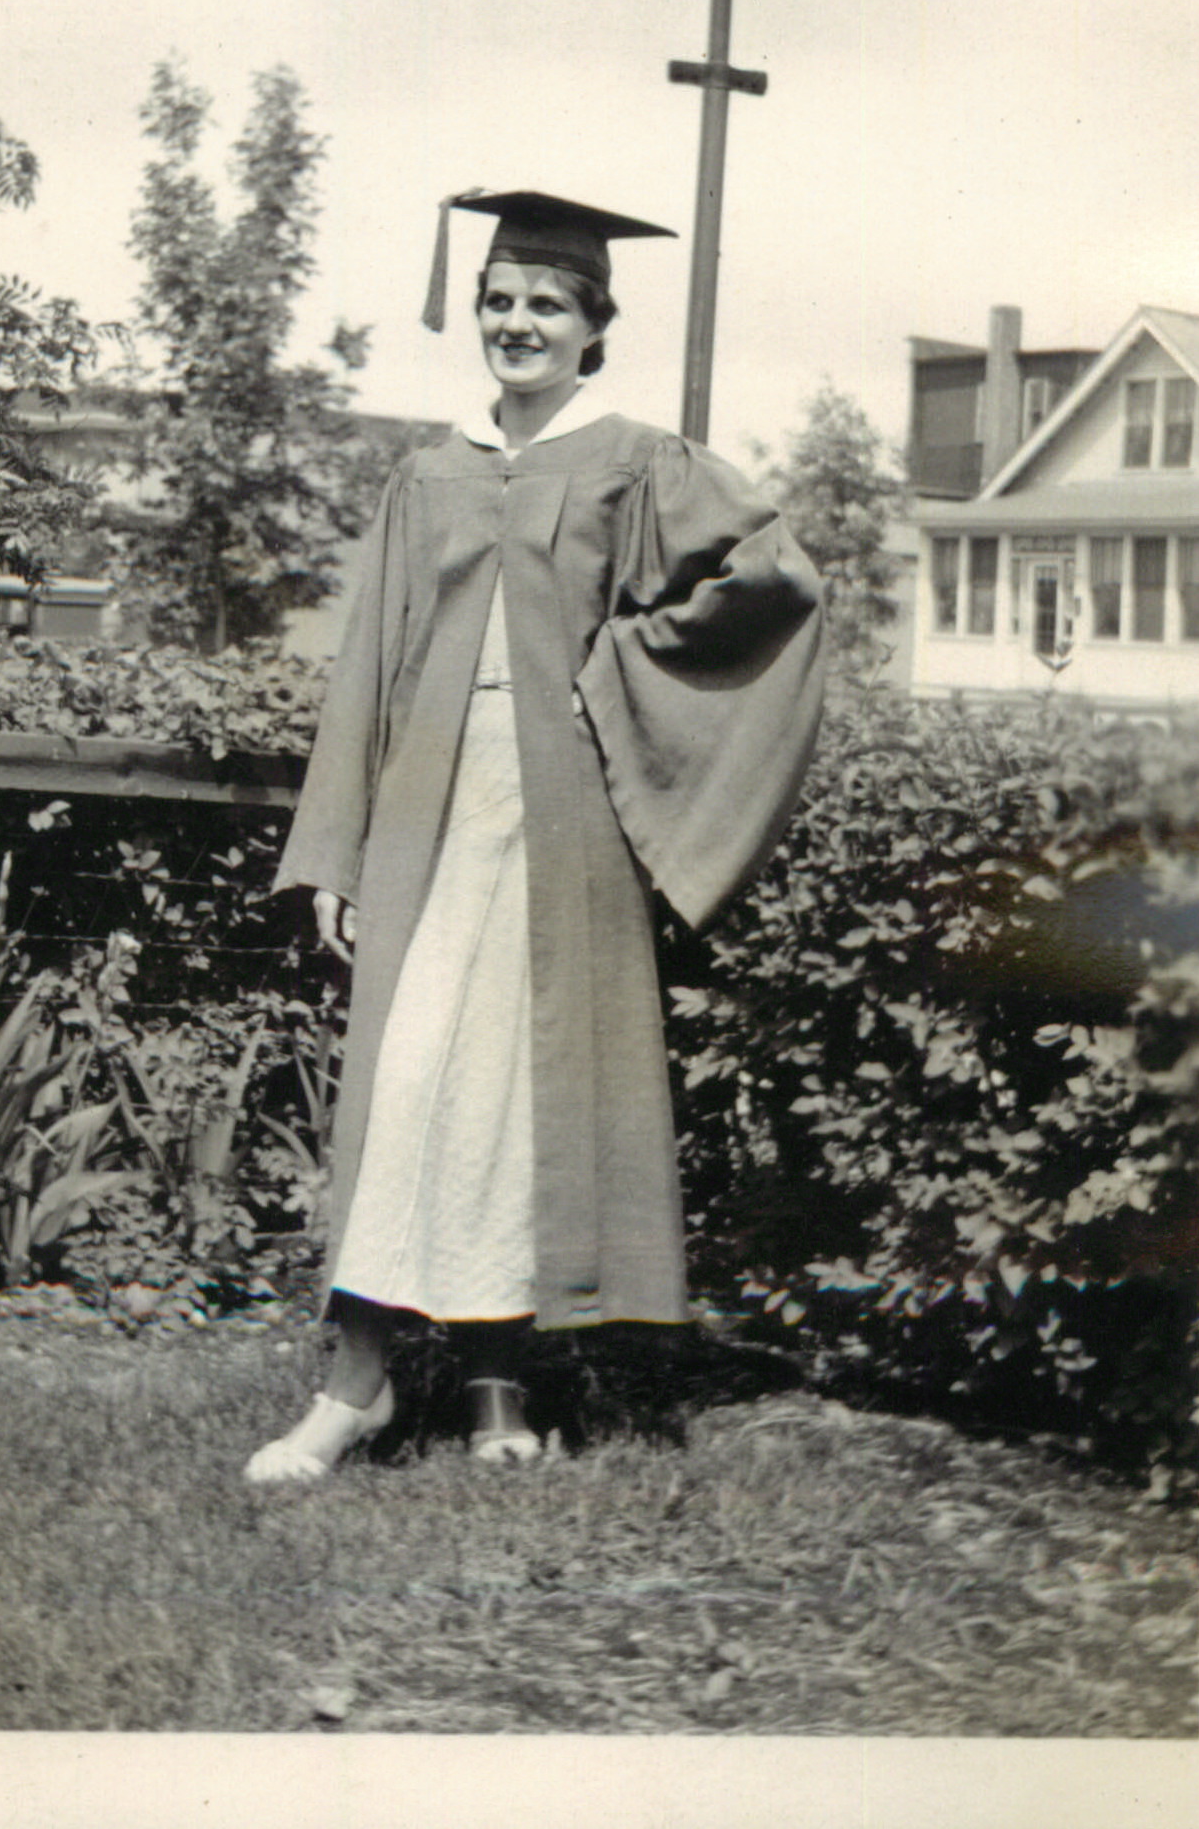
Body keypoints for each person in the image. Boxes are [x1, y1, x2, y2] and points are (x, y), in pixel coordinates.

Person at [244, 188, 826, 1483]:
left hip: (560, 826)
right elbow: (369, 665)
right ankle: (354, 1388)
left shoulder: (636, 461)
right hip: (427, 820)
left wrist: (620, 667)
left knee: (515, 1098)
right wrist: (334, 850)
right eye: (500, 301)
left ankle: (497, 1391)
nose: (518, 323)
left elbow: (774, 576)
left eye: (547, 305)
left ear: (592, 328)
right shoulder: (427, 473)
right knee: (406, 1086)